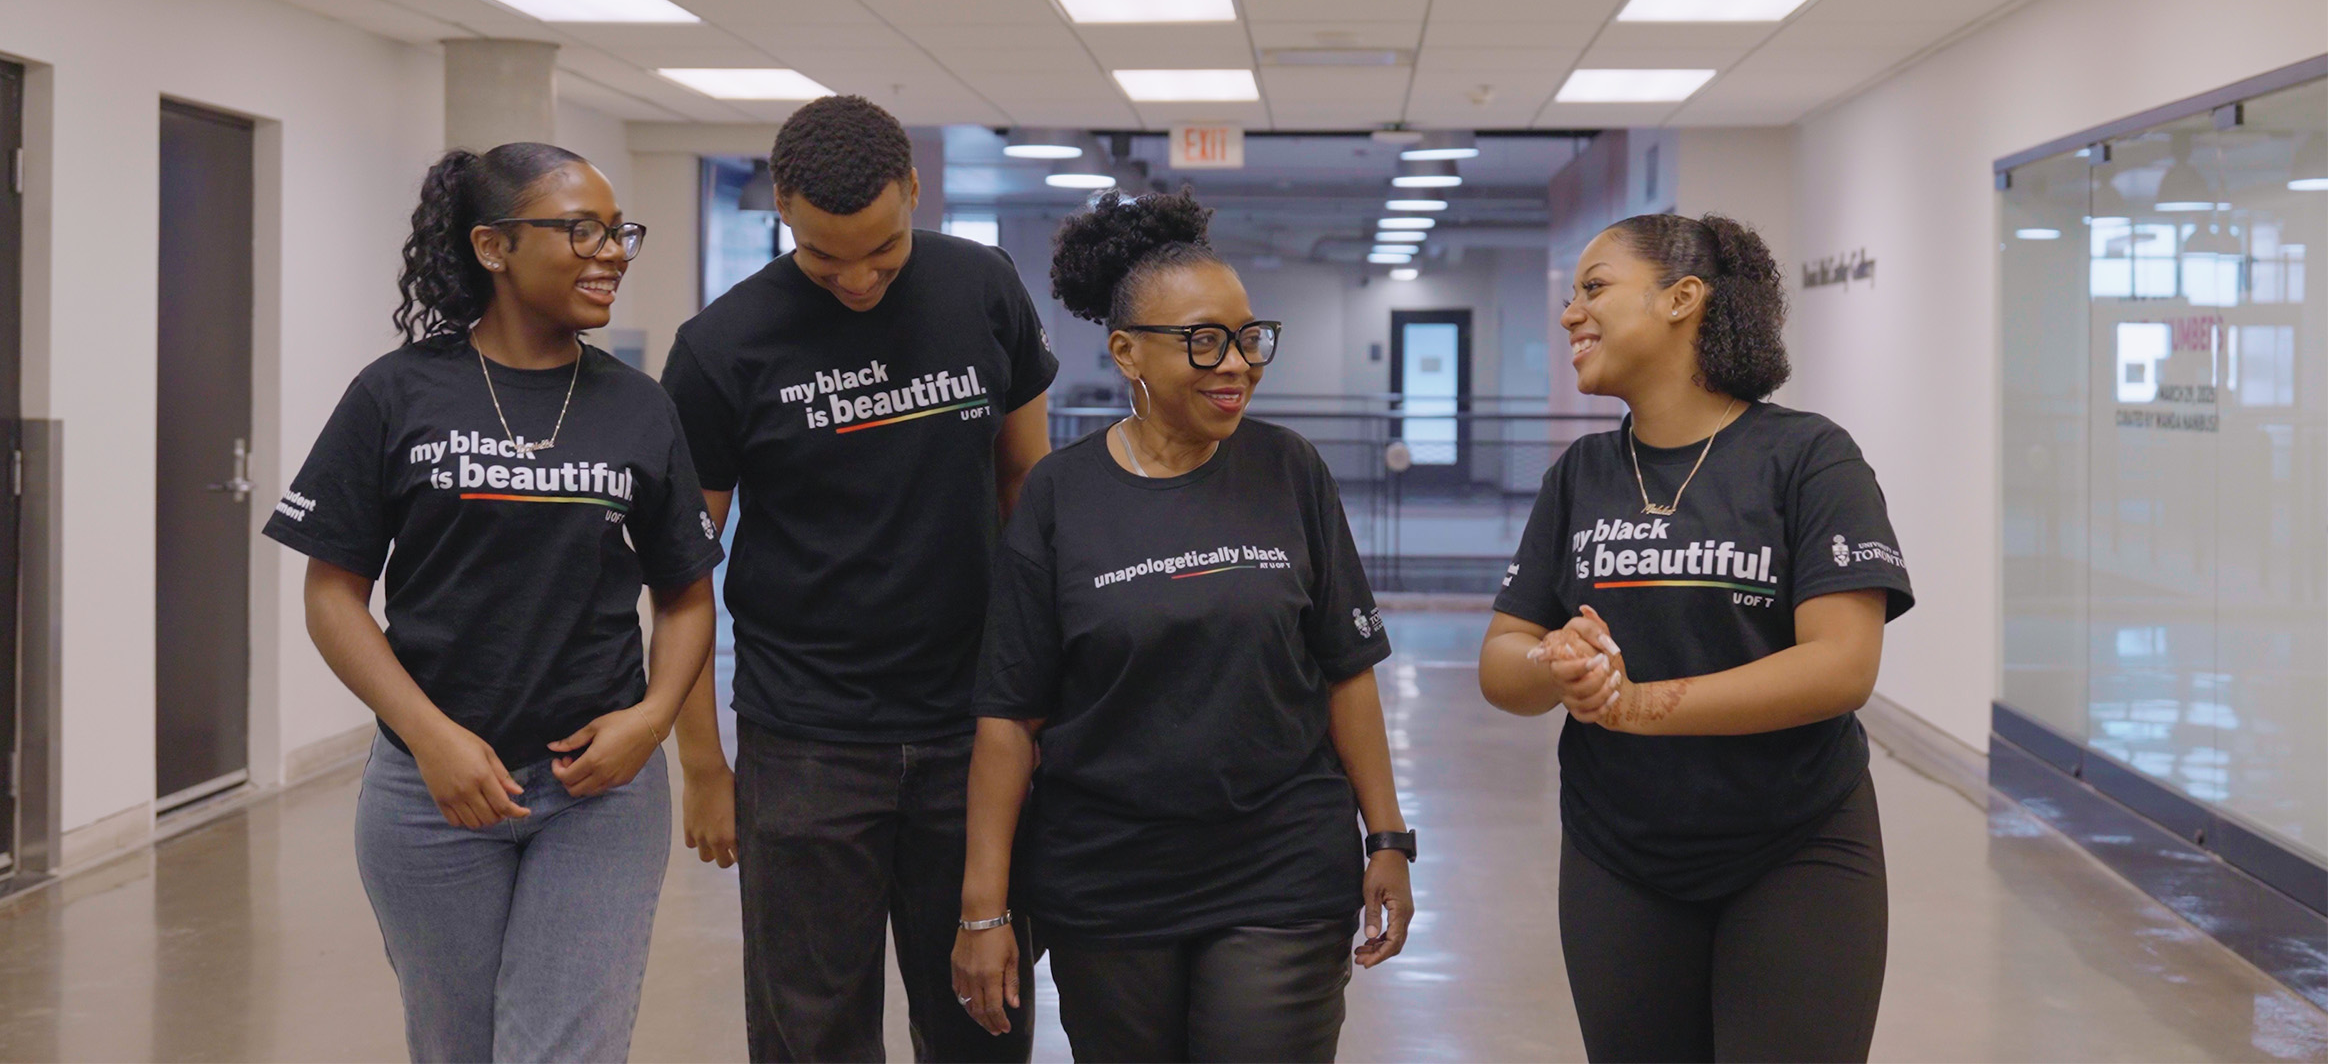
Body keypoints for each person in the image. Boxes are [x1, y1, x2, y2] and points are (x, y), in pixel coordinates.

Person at [264, 142, 722, 1063]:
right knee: (456, 1047)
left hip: (598, 784)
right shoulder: (397, 393)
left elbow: (684, 594)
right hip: (430, 789)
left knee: (560, 1050)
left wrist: (654, 719)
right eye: (580, 230)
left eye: (618, 231)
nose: (612, 252)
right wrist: (430, 738)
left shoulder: (637, 405)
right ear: (493, 246)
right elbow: (333, 596)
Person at [953, 189, 1415, 1064]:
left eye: (1249, 338)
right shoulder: (1060, 495)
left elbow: (1346, 671)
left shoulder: (1290, 469)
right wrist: (986, 908)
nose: (1235, 362)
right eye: (1203, 339)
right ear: (1126, 352)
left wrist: (1387, 837)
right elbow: (1009, 714)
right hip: (1109, 878)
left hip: (1280, 864)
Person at [659, 96, 1057, 1062]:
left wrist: (1044, 703)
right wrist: (705, 764)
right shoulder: (722, 347)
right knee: (810, 1031)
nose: (857, 277)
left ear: (916, 192)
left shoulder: (982, 288)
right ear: (782, 210)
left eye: (881, 247)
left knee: (983, 1021)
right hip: (805, 742)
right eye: (823, 253)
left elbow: (1030, 495)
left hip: (974, 725)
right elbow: (681, 571)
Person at [1476, 212, 1913, 1064]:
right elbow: (1503, 661)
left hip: (1795, 843)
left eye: (1594, 288)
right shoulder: (1580, 476)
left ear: (1683, 300)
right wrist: (1553, 662)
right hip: (1618, 851)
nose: (1570, 314)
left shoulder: (1809, 456)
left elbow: (1841, 666)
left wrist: (1638, 705)